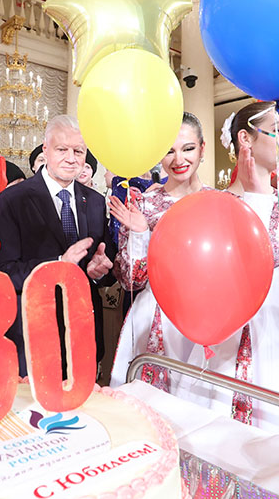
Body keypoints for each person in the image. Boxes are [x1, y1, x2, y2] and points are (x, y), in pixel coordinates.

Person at [170, 103, 279, 436]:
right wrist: (257, 198)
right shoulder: (215, 204)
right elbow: (245, 267)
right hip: (229, 329)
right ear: (246, 139)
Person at [0, 115, 116, 376]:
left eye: (78, 151)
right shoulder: (14, 199)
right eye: (62, 149)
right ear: (45, 149)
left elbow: (104, 265)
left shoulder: (95, 201)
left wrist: (100, 272)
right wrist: (59, 265)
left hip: (84, 332)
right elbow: (5, 271)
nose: (71, 158)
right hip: (33, 333)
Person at [108, 113, 213, 392]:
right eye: (169, 151)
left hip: (208, 315)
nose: (179, 160)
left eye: (188, 148)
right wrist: (141, 234)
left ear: (202, 148)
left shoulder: (219, 202)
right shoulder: (143, 205)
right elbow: (130, 281)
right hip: (156, 314)